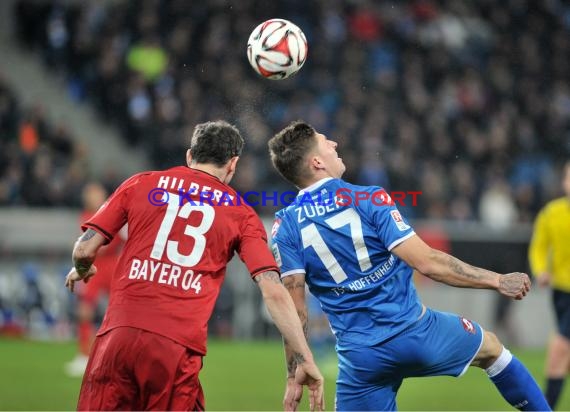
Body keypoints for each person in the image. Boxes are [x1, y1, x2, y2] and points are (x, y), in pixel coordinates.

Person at [268, 121, 550, 411]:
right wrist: (497, 280)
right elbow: (428, 263)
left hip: (361, 360)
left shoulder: (285, 225)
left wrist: (294, 371)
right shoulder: (369, 198)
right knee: (492, 350)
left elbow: (294, 309)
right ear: (317, 162)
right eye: (326, 142)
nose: (334, 145)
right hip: (416, 333)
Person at [65, 120, 324, 411]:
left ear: (190, 156)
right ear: (233, 165)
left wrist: (83, 269)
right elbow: (273, 291)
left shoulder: (141, 183)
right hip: (173, 349)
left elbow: (85, 249)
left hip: (116, 339)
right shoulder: (241, 214)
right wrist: (305, 357)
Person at [65, 182, 124, 377]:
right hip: (94, 266)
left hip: (115, 265)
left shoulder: (114, 209)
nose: (90, 197)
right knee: (84, 312)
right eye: (88, 193)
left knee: (122, 312)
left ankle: (120, 356)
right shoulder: (86, 216)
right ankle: (84, 355)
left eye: (94, 193)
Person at [529, 160, 570, 409]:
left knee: (559, 349)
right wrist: (541, 270)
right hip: (561, 291)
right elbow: (539, 247)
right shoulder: (551, 213)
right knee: (564, 356)